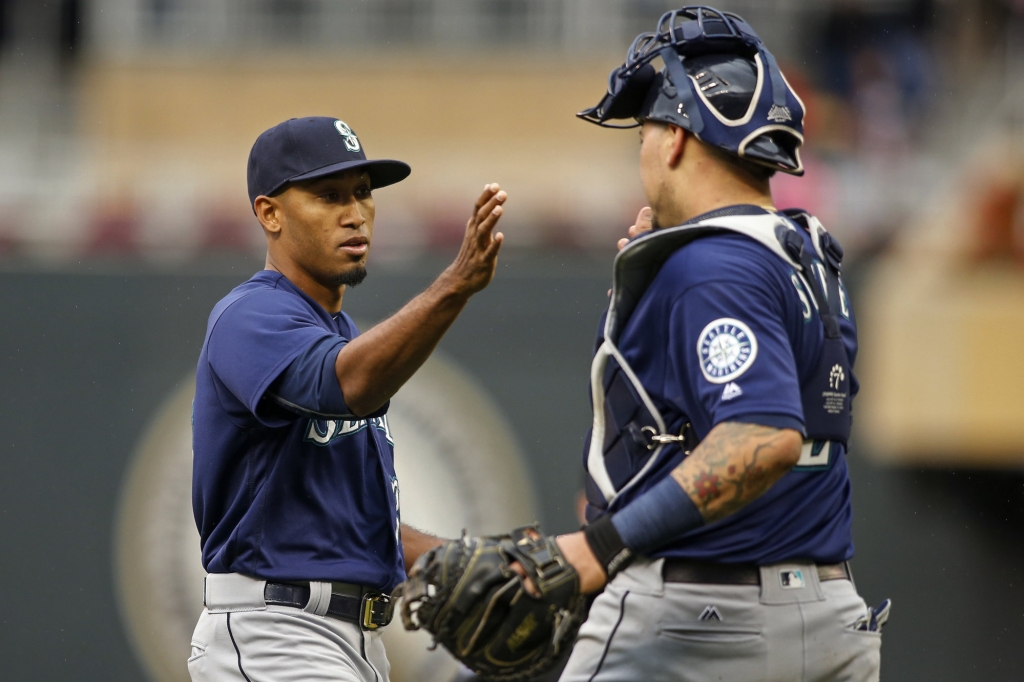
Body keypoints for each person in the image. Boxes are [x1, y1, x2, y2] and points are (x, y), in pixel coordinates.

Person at [548, 8, 889, 681]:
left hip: (704, 619)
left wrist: (598, 548)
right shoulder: (803, 255)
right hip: (830, 614)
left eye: (647, 128)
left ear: (675, 136)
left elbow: (762, 437)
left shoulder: (713, 265)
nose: (643, 147)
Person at [187, 116, 506, 682]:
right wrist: (454, 283)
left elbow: (352, 525)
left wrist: (471, 561)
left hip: (347, 639)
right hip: (275, 632)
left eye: (362, 193)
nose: (354, 213)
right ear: (270, 213)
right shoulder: (249, 317)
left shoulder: (339, 333)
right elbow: (346, 386)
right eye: (328, 195)